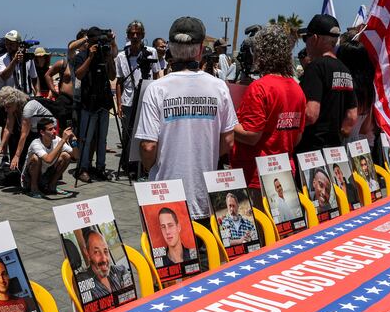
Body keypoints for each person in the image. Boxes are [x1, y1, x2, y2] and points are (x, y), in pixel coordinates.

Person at [137, 17, 238, 224]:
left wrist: (150, 167)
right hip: (205, 194)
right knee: (208, 252)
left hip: (166, 197)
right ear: (201, 49)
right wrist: (205, 153)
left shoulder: (157, 89)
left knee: (170, 254)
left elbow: (148, 146)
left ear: (172, 49)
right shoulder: (219, 87)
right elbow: (228, 141)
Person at [232, 25, 306, 206]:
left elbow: (251, 135)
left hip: (257, 175)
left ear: (260, 52)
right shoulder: (296, 88)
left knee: (262, 230)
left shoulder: (260, 88)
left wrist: (225, 123)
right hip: (285, 171)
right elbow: (296, 137)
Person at [296, 14, 358, 156]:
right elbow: (351, 117)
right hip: (336, 151)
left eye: (306, 38)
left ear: (315, 38)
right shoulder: (345, 70)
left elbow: (311, 114)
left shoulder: (315, 68)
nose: (306, 43)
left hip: (311, 151)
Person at [74, 27, 118, 182]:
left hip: (104, 101)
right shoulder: (83, 55)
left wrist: (109, 59)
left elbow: (113, 76)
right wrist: (90, 57)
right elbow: (79, 75)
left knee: (102, 138)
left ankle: (101, 167)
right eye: (95, 41)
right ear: (89, 41)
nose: (98, 44)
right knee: (86, 137)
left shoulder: (105, 54)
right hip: (88, 102)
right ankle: (83, 168)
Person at [115, 21, 161, 151]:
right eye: (132, 34)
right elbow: (119, 82)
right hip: (128, 100)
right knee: (127, 133)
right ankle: (127, 163)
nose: (135, 36)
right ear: (128, 36)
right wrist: (119, 104)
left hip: (147, 99)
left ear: (143, 35)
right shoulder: (121, 56)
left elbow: (157, 75)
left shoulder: (151, 52)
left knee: (147, 131)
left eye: (138, 34)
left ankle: (143, 164)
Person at [0, 86, 54, 171]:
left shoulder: (28, 108)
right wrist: (1, 146)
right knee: (13, 136)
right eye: (4, 107)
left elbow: (24, 134)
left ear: (15, 102)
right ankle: (19, 167)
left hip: (45, 131)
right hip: (33, 130)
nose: (6, 110)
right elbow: (8, 128)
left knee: (25, 152)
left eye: (8, 106)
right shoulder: (13, 108)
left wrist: (17, 156)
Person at [21, 117, 75, 197]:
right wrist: (63, 140)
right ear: (42, 132)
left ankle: (52, 186)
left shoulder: (57, 140)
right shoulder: (36, 143)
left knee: (66, 156)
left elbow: (76, 156)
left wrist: (74, 141)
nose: (54, 131)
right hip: (29, 179)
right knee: (35, 158)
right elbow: (48, 160)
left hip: (45, 175)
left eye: (54, 128)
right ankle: (34, 188)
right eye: (50, 129)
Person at [75, 229, 131, 300]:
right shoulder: (82, 281)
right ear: (87, 253)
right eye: (97, 252)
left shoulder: (121, 270)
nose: (104, 259)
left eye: (106, 251)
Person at [0, 30, 38, 94]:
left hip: (27, 96)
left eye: (11, 44)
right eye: (6, 44)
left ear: (18, 44)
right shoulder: (1, 59)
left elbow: (34, 77)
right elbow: (4, 76)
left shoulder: (28, 58)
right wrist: (15, 61)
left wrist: (38, 92)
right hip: (10, 98)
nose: (8, 47)